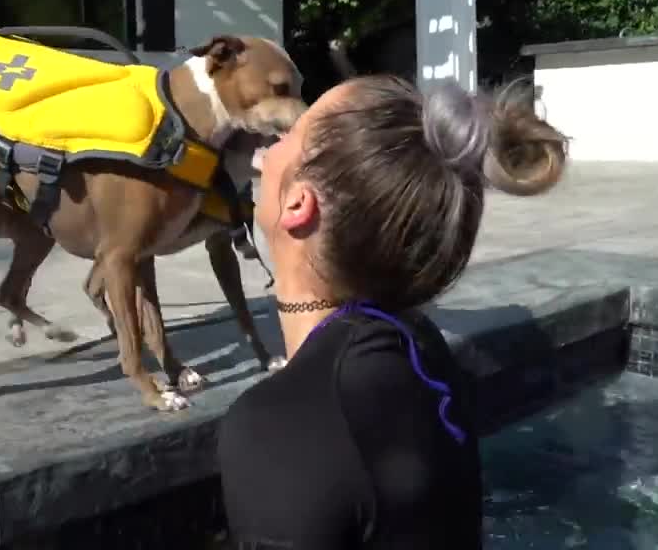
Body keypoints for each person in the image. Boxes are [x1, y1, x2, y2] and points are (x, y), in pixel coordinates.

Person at [217, 74, 568, 549]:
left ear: (299, 204)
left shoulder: (281, 427)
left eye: (293, 134)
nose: (275, 142)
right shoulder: (418, 348)